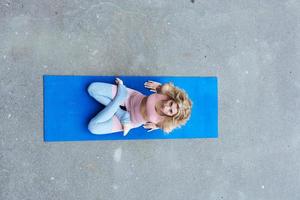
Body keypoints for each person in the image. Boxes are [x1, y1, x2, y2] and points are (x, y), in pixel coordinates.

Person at [87, 77, 192, 136]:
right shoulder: (164, 92)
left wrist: (155, 126)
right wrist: (157, 86)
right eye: (170, 104)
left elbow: (164, 126)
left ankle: (120, 98)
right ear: (171, 98)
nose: (166, 107)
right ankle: (121, 109)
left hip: (130, 121)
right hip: (129, 97)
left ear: (170, 116)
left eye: (170, 111)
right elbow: (162, 88)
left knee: (93, 127)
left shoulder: (163, 122)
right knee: (92, 89)